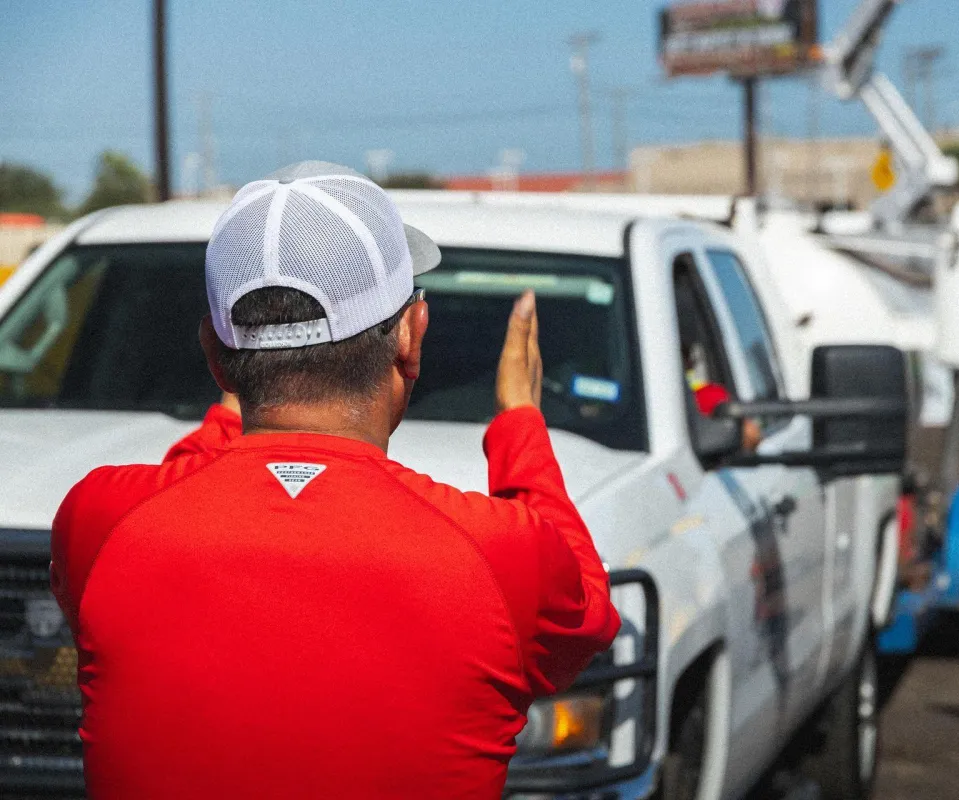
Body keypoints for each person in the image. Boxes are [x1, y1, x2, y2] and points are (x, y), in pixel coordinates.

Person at [50, 161, 620, 799]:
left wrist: (239, 401)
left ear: (215, 353)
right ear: (410, 336)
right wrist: (520, 422)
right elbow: (587, 614)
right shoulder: (504, 553)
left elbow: (187, 492)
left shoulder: (96, 519)